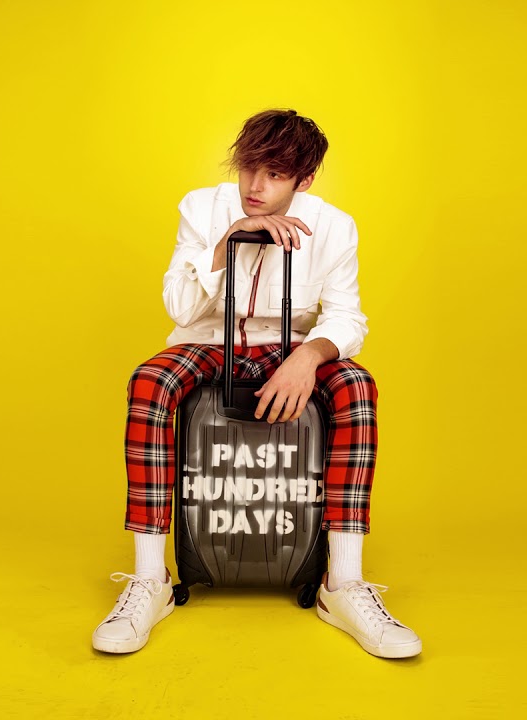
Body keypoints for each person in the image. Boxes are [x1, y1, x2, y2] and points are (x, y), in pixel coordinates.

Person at [92, 109, 422, 659]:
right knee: (149, 381)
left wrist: (308, 355)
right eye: (249, 167)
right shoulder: (201, 208)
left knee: (357, 388)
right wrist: (226, 243)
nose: (255, 186)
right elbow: (179, 306)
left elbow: (347, 316)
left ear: (304, 180)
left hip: (289, 347)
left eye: (275, 175)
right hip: (208, 341)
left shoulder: (335, 227)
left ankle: (343, 584)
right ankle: (150, 579)